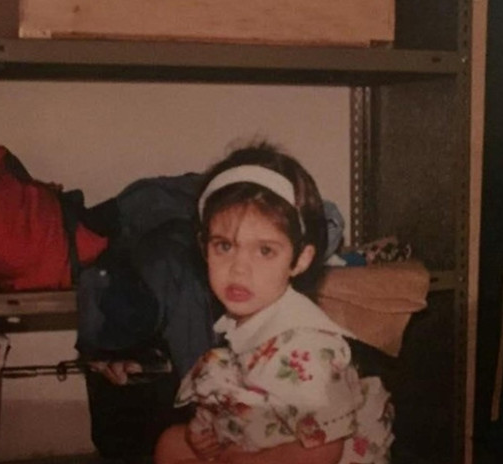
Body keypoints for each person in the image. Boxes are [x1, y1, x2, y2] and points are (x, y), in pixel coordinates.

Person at [155, 142, 394, 464]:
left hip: (314, 454)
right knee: (172, 443)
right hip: (262, 437)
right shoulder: (245, 324)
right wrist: (204, 435)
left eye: (265, 251)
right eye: (224, 246)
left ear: (300, 259)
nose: (239, 268)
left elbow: (323, 451)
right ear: (204, 247)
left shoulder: (306, 351)